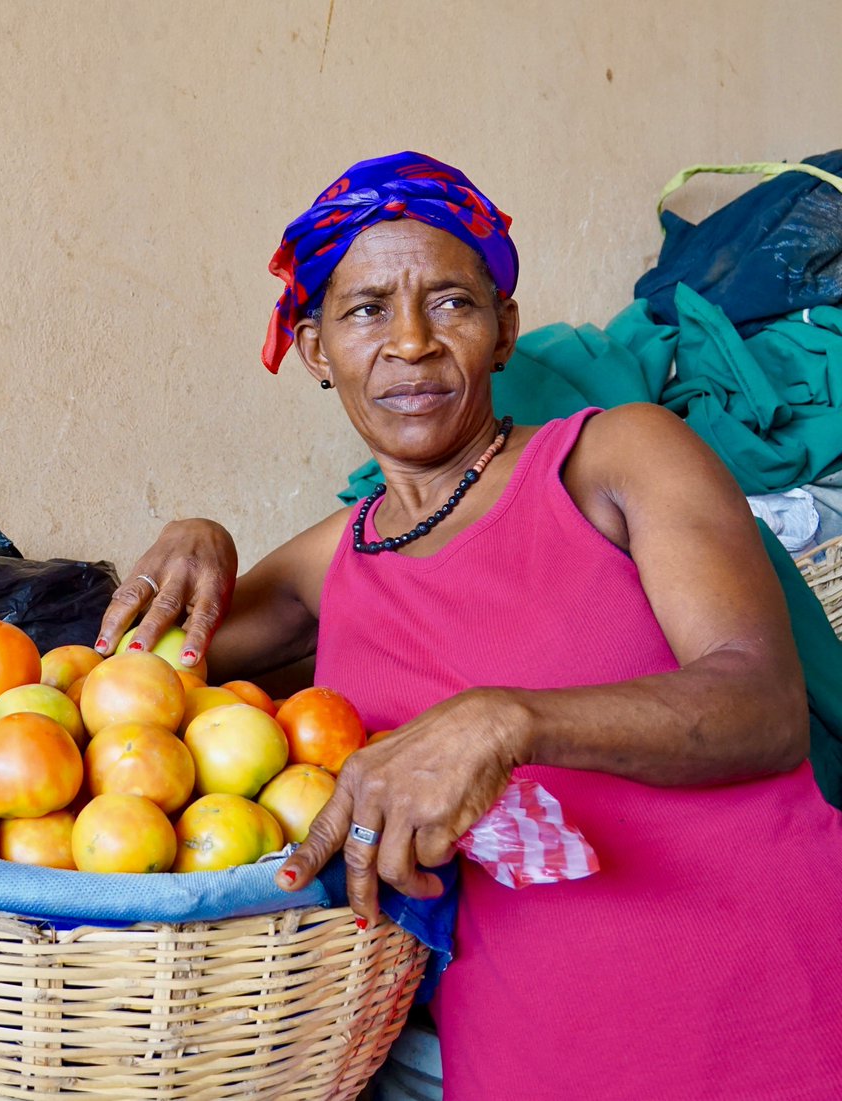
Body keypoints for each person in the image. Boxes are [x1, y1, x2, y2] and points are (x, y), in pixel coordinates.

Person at [94, 152, 842, 1098]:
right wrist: (202, 535)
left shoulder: (613, 456)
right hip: (530, 1045)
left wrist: (510, 719)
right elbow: (123, 680)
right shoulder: (338, 559)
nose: (411, 341)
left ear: (503, 331)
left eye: (450, 301)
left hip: (768, 1003)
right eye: (366, 309)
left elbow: (762, 702)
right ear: (317, 348)